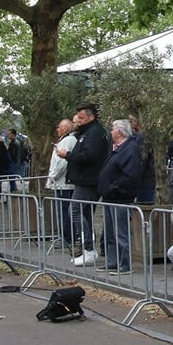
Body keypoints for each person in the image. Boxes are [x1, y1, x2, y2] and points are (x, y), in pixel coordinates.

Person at [64, 103, 109, 266]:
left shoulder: (95, 133)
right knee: (85, 213)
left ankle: (89, 249)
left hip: (89, 180)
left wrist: (67, 155)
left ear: (90, 117)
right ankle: (87, 249)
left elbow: (89, 155)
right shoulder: (86, 133)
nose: (79, 121)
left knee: (75, 210)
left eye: (82, 118)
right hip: (84, 179)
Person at [98, 119, 141, 275]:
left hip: (120, 198)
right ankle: (112, 261)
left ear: (120, 132)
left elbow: (130, 175)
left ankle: (125, 264)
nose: (111, 132)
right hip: (110, 197)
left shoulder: (130, 149)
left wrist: (113, 188)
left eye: (113, 129)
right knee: (110, 232)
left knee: (121, 233)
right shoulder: (117, 148)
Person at [49, 119, 76, 252]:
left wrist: (53, 176)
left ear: (65, 128)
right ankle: (66, 236)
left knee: (64, 212)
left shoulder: (67, 141)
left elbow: (61, 162)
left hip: (63, 183)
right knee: (63, 211)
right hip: (63, 183)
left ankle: (67, 237)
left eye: (59, 127)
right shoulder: (67, 140)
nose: (57, 130)